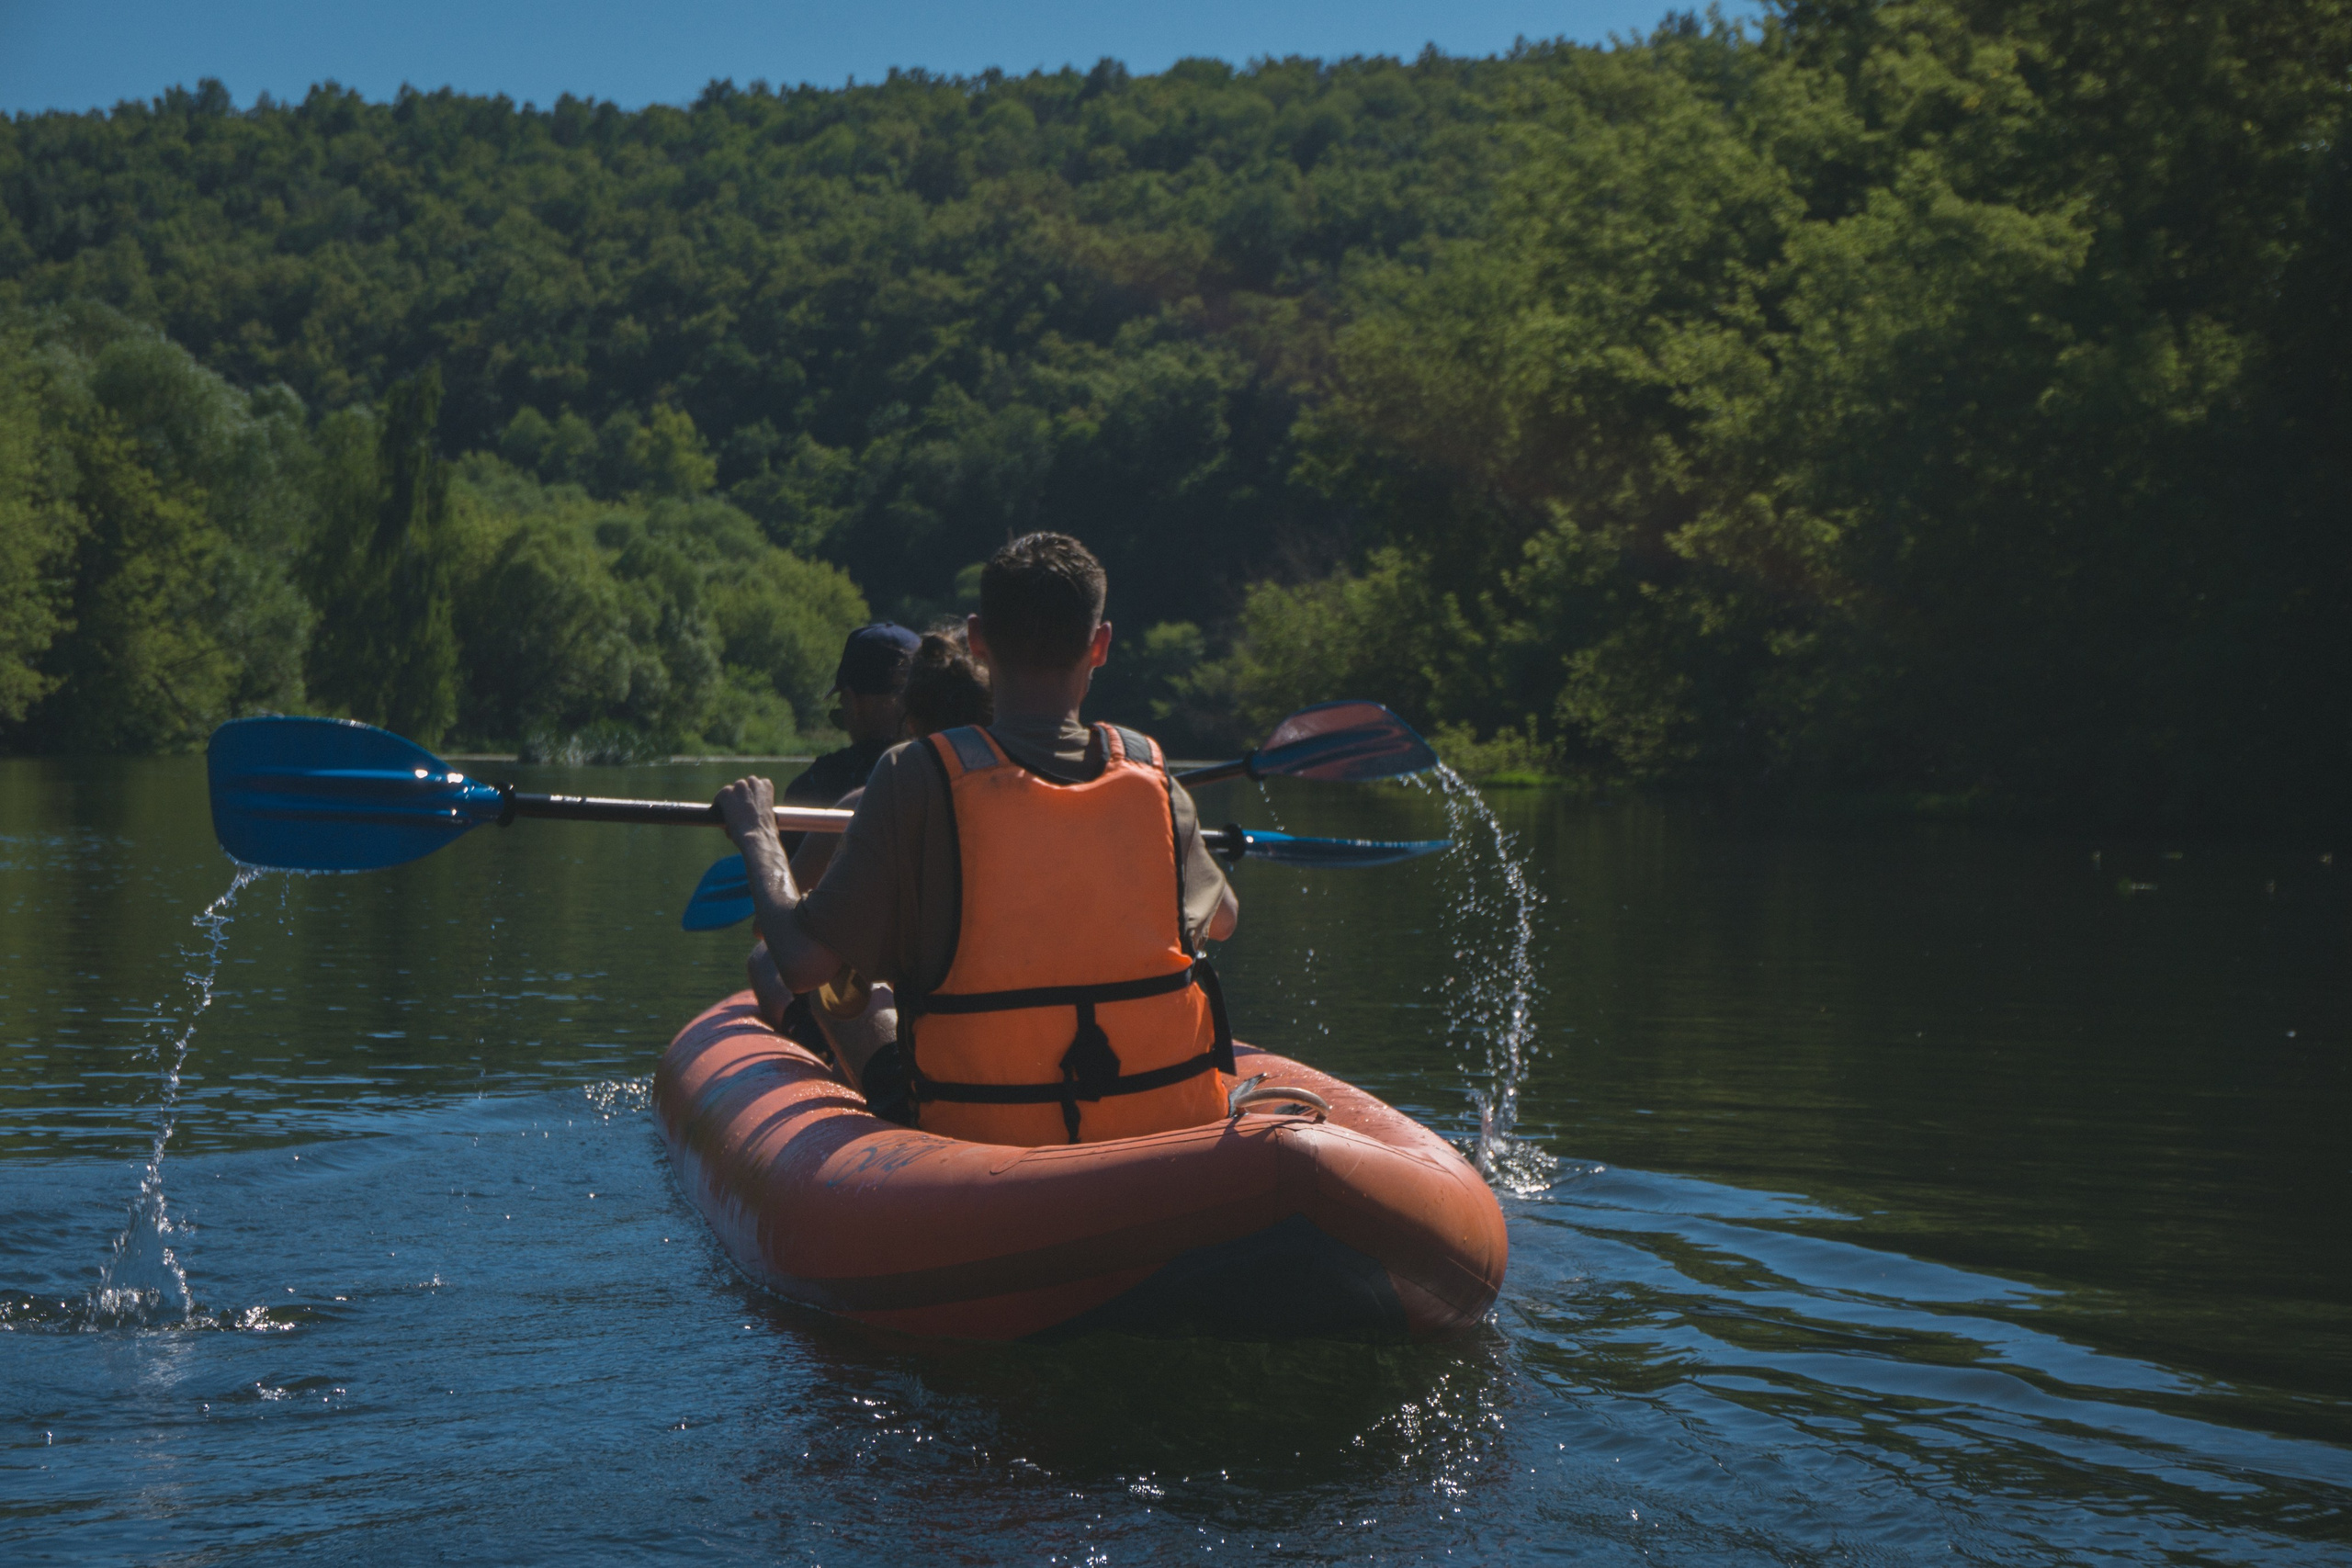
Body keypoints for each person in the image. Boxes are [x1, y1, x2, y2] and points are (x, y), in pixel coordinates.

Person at [717, 533, 1239, 1146]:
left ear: (979, 639)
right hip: (1166, 1122)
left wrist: (757, 833)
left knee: (849, 995)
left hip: (982, 1135)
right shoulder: (1153, 776)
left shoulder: (913, 774)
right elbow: (1223, 918)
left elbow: (803, 965)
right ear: (1099, 646)